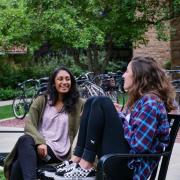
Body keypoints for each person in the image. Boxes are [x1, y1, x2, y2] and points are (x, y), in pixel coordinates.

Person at [52, 57, 176, 180]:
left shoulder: (151, 102)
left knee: (103, 102)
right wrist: (120, 113)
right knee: (92, 101)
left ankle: (86, 165)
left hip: (130, 167)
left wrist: (119, 116)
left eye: (127, 71)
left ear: (138, 75)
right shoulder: (140, 101)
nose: (123, 75)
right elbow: (130, 128)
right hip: (121, 159)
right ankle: (76, 159)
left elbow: (139, 146)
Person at [3, 67, 85, 180]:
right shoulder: (42, 100)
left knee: (20, 158)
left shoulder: (78, 103)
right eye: (60, 79)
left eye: (67, 79)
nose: (65, 82)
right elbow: (29, 124)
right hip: (39, 148)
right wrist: (40, 142)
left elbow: (94, 106)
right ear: (53, 83)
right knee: (25, 140)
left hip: (59, 153)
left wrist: (110, 106)